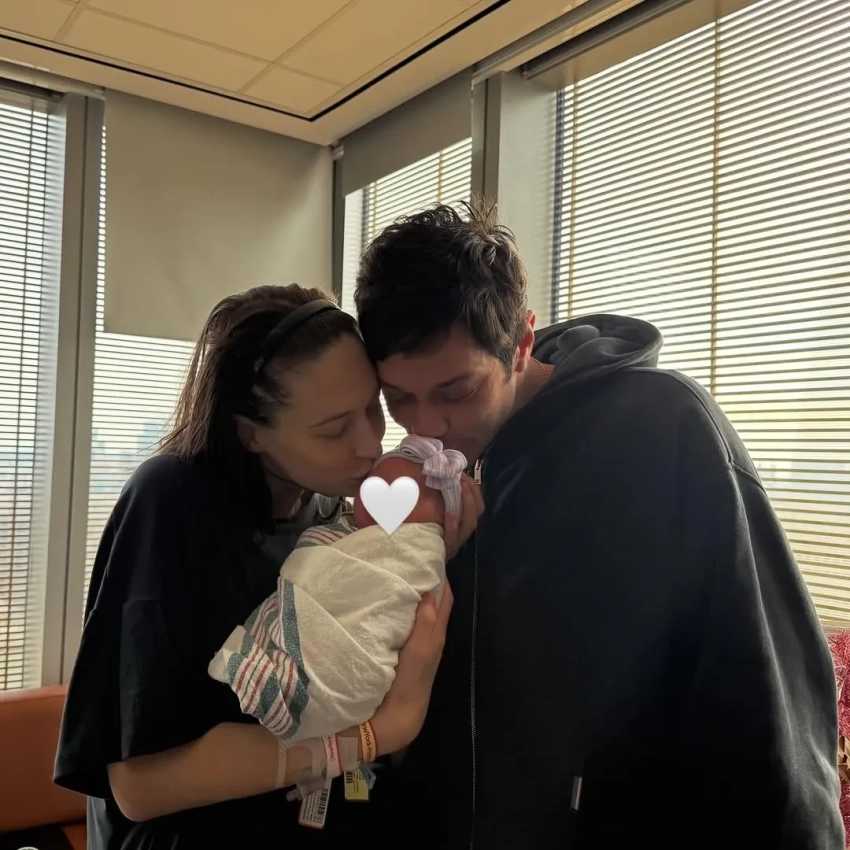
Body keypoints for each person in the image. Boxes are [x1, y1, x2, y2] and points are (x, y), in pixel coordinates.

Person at [352, 202, 843, 849]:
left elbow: (765, 687)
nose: (428, 426)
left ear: (521, 344)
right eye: (399, 400)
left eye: (457, 392)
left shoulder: (662, 429)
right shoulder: (420, 483)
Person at [53, 284, 482, 849]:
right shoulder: (173, 502)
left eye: (371, 410)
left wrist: (426, 560)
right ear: (251, 433)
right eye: (334, 429)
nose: (368, 445)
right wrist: (378, 733)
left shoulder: (335, 513)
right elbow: (140, 786)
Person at [209, 435, 466, 749]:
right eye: (373, 487)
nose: (382, 505)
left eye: (409, 495)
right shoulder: (339, 527)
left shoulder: (422, 551)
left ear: (444, 517)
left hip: (358, 669)